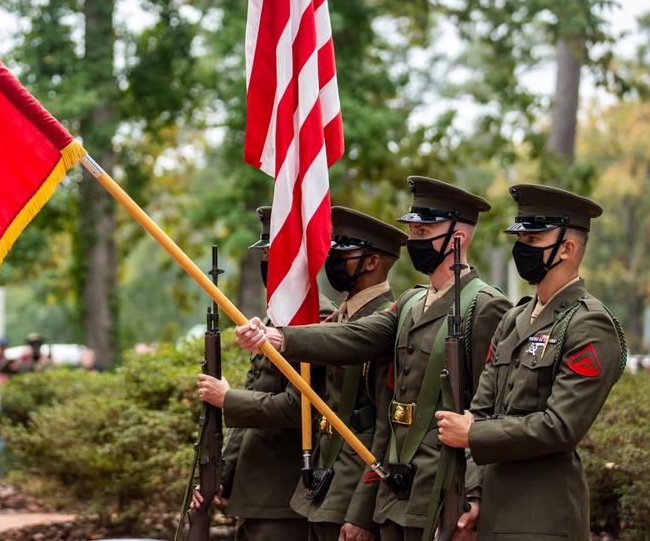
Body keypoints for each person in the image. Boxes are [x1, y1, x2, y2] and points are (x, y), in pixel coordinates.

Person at [235, 177, 513, 541]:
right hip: (396, 487)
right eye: (412, 230)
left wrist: (475, 495)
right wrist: (278, 336)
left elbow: (486, 408)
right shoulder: (412, 301)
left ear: (457, 239)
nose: (413, 240)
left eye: (424, 230)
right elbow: (357, 336)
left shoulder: (486, 306)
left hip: (444, 486)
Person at [435, 184, 627, 540]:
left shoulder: (590, 324)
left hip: (544, 518)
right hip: (493, 512)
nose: (521, 249)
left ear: (567, 248)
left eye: (533, 241)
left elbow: (561, 427)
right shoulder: (515, 318)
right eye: (520, 239)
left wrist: (474, 435)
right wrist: (474, 495)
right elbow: (480, 410)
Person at [287, 206, 406, 541]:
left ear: (371, 262)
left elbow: (386, 425)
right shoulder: (340, 317)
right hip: (323, 480)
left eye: (345, 251)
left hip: (354, 485)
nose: (333, 258)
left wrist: (361, 512)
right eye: (332, 249)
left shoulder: (386, 321)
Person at [194, 205, 312, 540]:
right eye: (264, 255)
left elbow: (298, 406)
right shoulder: (274, 322)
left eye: (275, 254)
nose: (267, 264)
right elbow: (246, 427)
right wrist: (221, 476)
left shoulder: (312, 321)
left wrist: (229, 398)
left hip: (285, 495)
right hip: (254, 494)